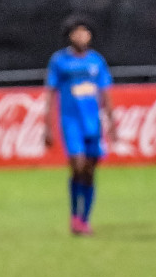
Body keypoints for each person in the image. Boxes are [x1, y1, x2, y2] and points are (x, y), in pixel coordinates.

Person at [43, 14, 113, 236]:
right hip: (71, 122)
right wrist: (47, 125)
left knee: (90, 171)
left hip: (93, 124)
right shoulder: (60, 61)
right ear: (70, 36)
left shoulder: (96, 61)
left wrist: (112, 122)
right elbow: (50, 93)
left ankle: (85, 219)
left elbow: (105, 92)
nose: (82, 36)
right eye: (78, 32)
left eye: (86, 32)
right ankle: (75, 215)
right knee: (78, 165)